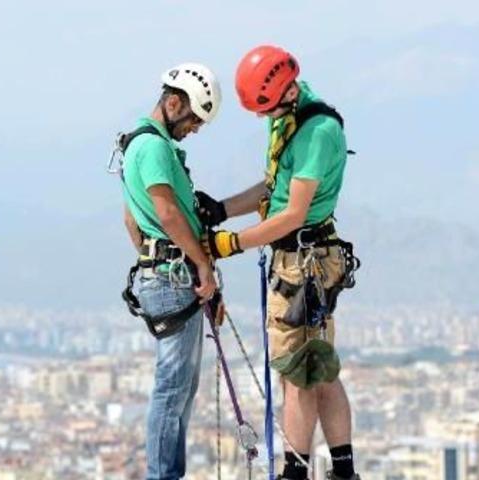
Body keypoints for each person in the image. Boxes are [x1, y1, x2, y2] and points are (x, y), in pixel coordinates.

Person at [197, 45, 360, 480]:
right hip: (304, 258)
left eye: (262, 108)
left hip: (302, 261)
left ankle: (295, 471)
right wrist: (222, 209)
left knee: (298, 373)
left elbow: (292, 213)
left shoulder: (315, 131)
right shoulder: (292, 119)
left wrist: (230, 244)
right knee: (319, 368)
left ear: (281, 92)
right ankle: (342, 471)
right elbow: (274, 189)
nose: (260, 117)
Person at [117, 62, 222, 480]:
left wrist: (152, 256)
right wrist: (198, 263)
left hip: (164, 271)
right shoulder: (154, 148)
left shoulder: (137, 145)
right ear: (173, 103)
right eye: (194, 119)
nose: (194, 129)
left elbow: (131, 220)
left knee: (180, 388)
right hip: (174, 276)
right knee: (173, 387)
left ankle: (168, 474)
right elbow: (166, 210)